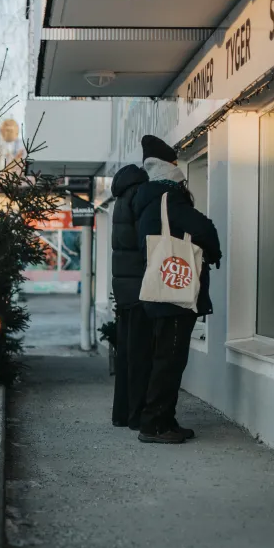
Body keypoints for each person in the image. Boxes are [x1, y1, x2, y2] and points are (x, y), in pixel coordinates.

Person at [132, 135, 222, 444]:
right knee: (170, 360)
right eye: (175, 163)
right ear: (169, 168)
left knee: (164, 358)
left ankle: (163, 420)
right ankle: (155, 425)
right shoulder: (168, 197)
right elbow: (203, 228)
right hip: (173, 295)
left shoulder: (146, 199)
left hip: (159, 289)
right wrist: (215, 251)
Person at [109, 162, 150, 430]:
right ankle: (137, 416)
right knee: (140, 358)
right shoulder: (138, 199)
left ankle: (121, 414)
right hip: (139, 291)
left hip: (124, 292)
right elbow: (145, 243)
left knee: (125, 356)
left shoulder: (120, 202)